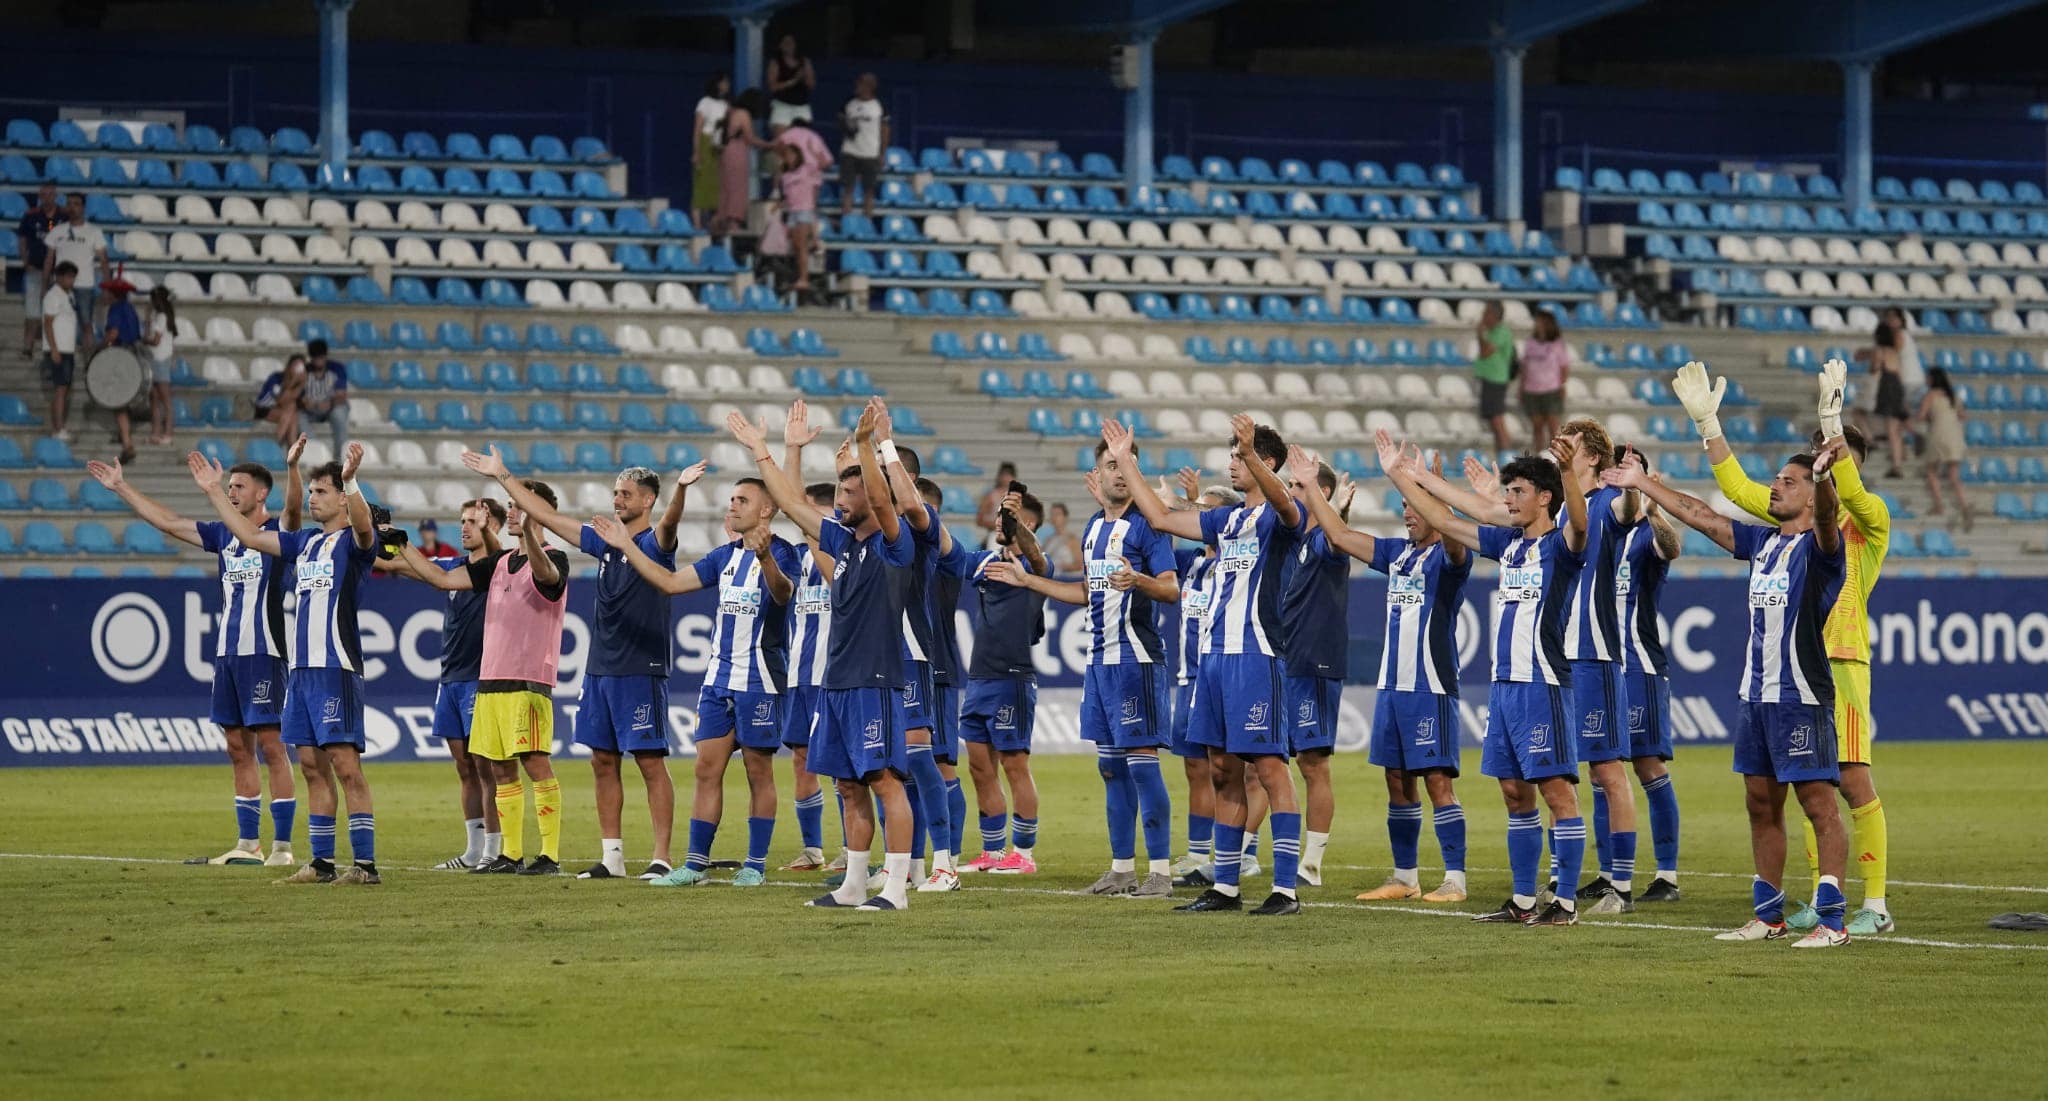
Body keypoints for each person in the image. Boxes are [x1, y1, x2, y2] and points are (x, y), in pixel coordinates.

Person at [1607, 390, 1851, 948]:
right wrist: (1644, 485)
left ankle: (1833, 920)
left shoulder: (1821, 550)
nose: (1776, 487)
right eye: (1777, 481)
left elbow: (1832, 521)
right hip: (1755, 697)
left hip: (1801, 696)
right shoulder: (1761, 544)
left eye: (1790, 483)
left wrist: (1826, 478)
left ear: (1811, 498)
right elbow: (1705, 517)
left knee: (1818, 804)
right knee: (1760, 805)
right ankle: (1768, 915)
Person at [1701, 359, 1895, 937]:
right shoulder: (1795, 520)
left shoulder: (1870, 519)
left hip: (1843, 663)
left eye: (1834, 459)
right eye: (1818, 461)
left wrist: (1833, 430)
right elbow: (1737, 490)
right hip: (1789, 670)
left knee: (1852, 782)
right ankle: (1818, 897)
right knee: (1808, 780)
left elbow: (1849, 496)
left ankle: (1876, 905)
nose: (1823, 467)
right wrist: (1709, 426)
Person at [1389, 429, 1591, 926]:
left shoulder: (1563, 545)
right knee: (1513, 791)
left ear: (1545, 498)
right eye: (1508, 491)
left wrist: (1567, 470)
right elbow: (1442, 520)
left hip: (1542, 683)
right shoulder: (1507, 546)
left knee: (1557, 792)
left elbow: (1581, 522)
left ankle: (1563, 903)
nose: (1508, 499)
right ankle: (1523, 901)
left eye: (1518, 491)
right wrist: (1403, 474)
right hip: (1504, 689)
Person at [1108, 415, 1306, 916]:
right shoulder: (1228, 520)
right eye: (1235, 456)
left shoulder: (1282, 516)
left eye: (1240, 456)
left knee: (1269, 767)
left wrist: (1255, 455)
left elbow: (1284, 503)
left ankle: (1285, 889)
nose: (1233, 464)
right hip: (1214, 659)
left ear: (1269, 462)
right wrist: (1128, 462)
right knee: (1221, 769)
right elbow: (1161, 518)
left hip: (1257, 655)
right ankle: (1226, 886)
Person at [727, 400, 919, 910]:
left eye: (849, 493)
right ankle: (853, 886)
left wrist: (866, 445)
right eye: (838, 491)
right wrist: (763, 452)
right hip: (835, 681)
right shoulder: (843, 541)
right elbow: (792, 504)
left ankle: (896, 890)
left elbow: (880, 498)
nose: (840, 501)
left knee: (883, 781)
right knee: (848, 785)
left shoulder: (892, 544)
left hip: (874, 680)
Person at [470, 451, 685, 881]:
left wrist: (679, 490)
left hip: (641, 667)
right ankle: (613, 857)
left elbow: (671, 521)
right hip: (600, 669)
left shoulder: (654, 543)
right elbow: (545, 517)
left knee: (649, 762)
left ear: (647, 501)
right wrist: (503, 476)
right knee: (602, 761)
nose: (617, 500)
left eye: (625, 494)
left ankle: (661, 856)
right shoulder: (603, 541)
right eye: (614, 493)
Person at [87, 450, 301, 868]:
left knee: (273, 747)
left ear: (262, 493)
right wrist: (121, 487)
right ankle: (247, 845)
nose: (232, 492)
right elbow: (169, 522)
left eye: (239, 486)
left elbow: (294, 508)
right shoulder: (223, 535)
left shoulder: (281, 534)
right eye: (230, 486)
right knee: (237, 748)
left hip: (264, 653)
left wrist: (292, 469)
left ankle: (282, 849)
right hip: (227, 656)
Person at [989, 436, 1180, 899]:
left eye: (1126, 464)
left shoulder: (1148, 529)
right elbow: (1086, 593)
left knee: (1142, 768)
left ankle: (1160, 871)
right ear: (1098, 473)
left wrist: (1140, 580)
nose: (1119, 472)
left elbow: (1171, 589)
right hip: (1099, 666)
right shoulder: (1095, 528)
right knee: (1111, 770)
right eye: (1111, 464)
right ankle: (1120, 869)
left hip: (1135, 660)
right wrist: (1028, 578)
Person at [594, 473, 799, 889]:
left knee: (759, 770)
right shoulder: (722, 557)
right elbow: (669, 583)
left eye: (742, 500)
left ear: (765, 510)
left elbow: (782, 593)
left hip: (759, 679)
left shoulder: (785, 553)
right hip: (717, 680)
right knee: (706, 770)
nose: (732, 506)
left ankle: (755, 865)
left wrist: (765, 560)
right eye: (731, 499)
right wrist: (626, 546)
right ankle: (694, 863)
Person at [189, 444, 381, 885]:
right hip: (301, 674)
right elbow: (253, 537)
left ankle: (366, 866)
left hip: (337, 669)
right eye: (310, 490)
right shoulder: (305, 543)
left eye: (321, 491)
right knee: (312, 765)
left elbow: (367, 527)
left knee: (346, 766)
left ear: (342, 500)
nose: (312, 498)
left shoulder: (353, 543)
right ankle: (322, 864)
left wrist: (351, 480)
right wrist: (214, 493)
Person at [400, 485, 574, 877]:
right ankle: (509, 854)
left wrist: (530, 530)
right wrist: (402, 544)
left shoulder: (555, 558)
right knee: (499, 769)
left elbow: (545, 574)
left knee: (536, 763)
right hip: (489, 680)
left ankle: (548, 855)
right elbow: (441, 580)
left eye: (519, 507)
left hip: (527, 682)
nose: (512, 513)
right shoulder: (498, 564)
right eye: (511, 507)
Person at [1329, 446, 1473, 905]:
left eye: (1415, 506)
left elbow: (1453, 536)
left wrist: (1434, 496)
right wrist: (1314, 491)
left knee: (1436, 781)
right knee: (1396, 778)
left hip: (1429, 685)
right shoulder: (1397, 555)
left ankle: (1455, 879)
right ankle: (1405, 877)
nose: (1407, 513)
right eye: (1405, 506)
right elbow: (1339, 537)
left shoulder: (1451, 561)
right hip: (1391, 687)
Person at [382, 497, 504, 870]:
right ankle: (472, 851)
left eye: (473, 520)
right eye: (462, 520)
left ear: (491, 526)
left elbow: (494, 558)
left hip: (480, 679)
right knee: (463, 767)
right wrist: (371, 537)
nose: (464, 527)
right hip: (450, 678)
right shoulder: (451, 565)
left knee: (486, 768)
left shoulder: (500, 568)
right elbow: (392, 564)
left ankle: (495, 851)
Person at [948, 488, 1048, 874]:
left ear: (1029, 526)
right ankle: (992, 852)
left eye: (1006, 519)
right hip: (979, 678)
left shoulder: (1039, 568)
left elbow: (1036, 555)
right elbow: (950, 555)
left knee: (1014, 764)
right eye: (997, 518)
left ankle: (1023, 854)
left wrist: (1016, 523)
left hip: (1012, 678)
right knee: (979, 767)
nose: (997, 523)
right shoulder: (986, 563)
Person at [1275, 451, 1355, 887]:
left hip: (1315, 663)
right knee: (1262, 762)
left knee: (1312, 764)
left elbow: (1337, 534)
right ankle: (1244, 854)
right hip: (1283, 662)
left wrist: (1338, 509)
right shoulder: (1293, 541)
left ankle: (1312, 864)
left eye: (1299, 485)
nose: (1290, 492)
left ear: (1321, 493)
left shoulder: (1329, 541)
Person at [1612, 449, 1685, 903]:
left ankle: (1667, 875)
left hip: (1638, 665)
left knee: (1646, 766)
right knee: (1603, 771)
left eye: (1631, 468)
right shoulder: (1598, 530)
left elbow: (1672, 546)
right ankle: (1609, 872)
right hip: (1599, 667)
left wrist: (1651, 503)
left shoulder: (1646, 534)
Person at [779, 478, 838, 871]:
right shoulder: (794, 557)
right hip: (798, 673)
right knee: (801, 759)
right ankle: (813, 849)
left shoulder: (846, 554)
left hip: (833, 673)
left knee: (843, 764)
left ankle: (854, 849)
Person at [44, 192, 108, 359]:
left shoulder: (94, 232)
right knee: (56, 323)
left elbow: (104, 261)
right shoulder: (57, 230)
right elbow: (49, 259)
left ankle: (90, 361)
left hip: (84, 285)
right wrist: (45, 285)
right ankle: (58, 358)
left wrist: (106, 287)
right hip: (59, 287)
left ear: (83, 207)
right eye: (69, 204)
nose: (72, 208)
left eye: (76, 204)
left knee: (87, 325)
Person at [776, 122, 832, 295]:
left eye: (792, 155)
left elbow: (821, 163)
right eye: (787, 156)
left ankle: (804, 278)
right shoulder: (785, 176)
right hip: (792, 212)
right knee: (795, 246)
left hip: (804, 212)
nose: (789, 158)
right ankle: (799, 275)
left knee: (801, 247)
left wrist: (812, 150)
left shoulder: (807, 170)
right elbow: (786, 197)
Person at [96, 274, 143, 463]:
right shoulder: (131, 309)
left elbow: (113, 333)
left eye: (107, 292)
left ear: (113, 294)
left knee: (119, 400)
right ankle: (123, 435)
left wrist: (98, 347)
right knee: (125, 396)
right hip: (133, 355)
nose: (104, 295)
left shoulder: (115, 309)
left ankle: (127, 444)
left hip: (120, 356)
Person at [1917, 367, 1971, 530]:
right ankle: (1964, 505)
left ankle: (1939, 505)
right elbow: (1963, 416)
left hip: (1938, 434)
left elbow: (1921, 415)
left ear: (1932, 379)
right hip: (1955, 435)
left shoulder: (1931, 395)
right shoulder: (1953, 396)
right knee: (1954, 474)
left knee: (1931, 470)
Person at [715, 89, 773, 237]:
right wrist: (770, 145)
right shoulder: (743, 114)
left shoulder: (730, 111)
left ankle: (720, 219)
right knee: (737, 187)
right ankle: (733, 221)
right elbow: (750, 138)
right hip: (737, 151)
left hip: (725, 151)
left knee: (725, 187)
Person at [18, 183, 61, 358]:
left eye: (51, 194)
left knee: (55, 314)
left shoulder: (63, 216)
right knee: (32, 313)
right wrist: (24, 260)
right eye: (44, 194)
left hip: (58, 274)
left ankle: (53, 348)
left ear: (55, 195)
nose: (47, 197)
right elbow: (22, 239)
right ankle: (27, 347)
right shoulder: (30, 216)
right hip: (35, 269)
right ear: (40, 196)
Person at [839, 73, 889, 218]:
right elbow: (841, 122)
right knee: (848, 189)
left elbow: (885, 131)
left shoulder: (879, 106)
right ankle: (847, 221)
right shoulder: (848, 104)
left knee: (869, 191)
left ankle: (867, 222)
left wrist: (882, 153)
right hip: (850, 151)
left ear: (869, 87)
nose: (857, 86)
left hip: (870, 153)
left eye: (860, 84)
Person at [1519, 309, 1569, 453]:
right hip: (1532, 390)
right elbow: (1525, 366)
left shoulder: (1557, 344)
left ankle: (1556, 457)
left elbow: (1564, 367)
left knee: (1553, 426)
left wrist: (1562, 385)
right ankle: (1539, 454)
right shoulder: (1530, 343)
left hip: (1551, 389)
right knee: (1537, 426)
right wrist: (1521, 388)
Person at [1864, 322, 1909, 477]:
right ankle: (1899, 459)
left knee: (1891, 429)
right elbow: (1901, 376)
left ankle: (1896, 465)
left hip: (1887, 387)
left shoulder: (1880, 351)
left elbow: (1874, 369)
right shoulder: (1894, 352)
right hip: (1897, 387)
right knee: (1895, 428)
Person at [40, 260, 79, 440]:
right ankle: (58, 428)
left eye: (73, 277)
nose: (71, 281)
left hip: (67, 349)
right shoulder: (52, 296)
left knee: (63, 389)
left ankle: (59, 426)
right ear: (60, 277)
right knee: (60, 389)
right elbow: (48, 323)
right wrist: (54, 349)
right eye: (69, 277)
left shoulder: (69, 295)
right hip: (59, 350)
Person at [1472, 301, 1514, 454]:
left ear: (1495, 315)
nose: (1483, 316)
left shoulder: (1501, 332)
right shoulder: (1491, 332)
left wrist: (1479, 334)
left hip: (1496, 380)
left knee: (1497, 421)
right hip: (1489, 379)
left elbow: (1485, 352)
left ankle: (1507, 455)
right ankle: (1502, 454)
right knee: (1493, 422)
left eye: (1486, 313)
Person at [692, 72, 730, 230]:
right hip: (705, 143)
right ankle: (698, 225)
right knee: (701, 185)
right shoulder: (704, 102)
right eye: (725, 82)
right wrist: (696, 151)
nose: (727, 85)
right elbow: (698, 129)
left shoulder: (726, 105)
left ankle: (714, 223)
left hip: (719, 146)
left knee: (717, 186)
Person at [298, 340, 348, 457]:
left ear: (325, 357)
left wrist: (330, 403)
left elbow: (341, 395)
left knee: (339, 414)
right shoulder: (304, 371)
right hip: (310, 409)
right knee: (297, 416)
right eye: (315, 358)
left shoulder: (337, 369)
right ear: (311, 358)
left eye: (321, 357)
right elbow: (298, 396)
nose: (318, 361)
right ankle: (316, 452)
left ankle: (339, 457)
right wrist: (305, 403)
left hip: (331, 407)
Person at [142, 286, 177, 446]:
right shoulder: (158, 316)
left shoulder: (163, 316)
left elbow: (155, 340)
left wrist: (143, 340)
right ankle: (155, 433)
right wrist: (147, 320)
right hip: (154, 360)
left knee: (165, 400)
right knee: (154, 399)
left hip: (161, 360)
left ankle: (168, 433)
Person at [765, 33, 816, 136]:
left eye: (790, 42)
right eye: (785, 42)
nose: (788, 45)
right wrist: (793, 80)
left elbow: (811, 85)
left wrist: (805, 75)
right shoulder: (775, 62)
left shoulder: (804, 61)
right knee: (781, 141)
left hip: (801, 105)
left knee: (802, 140)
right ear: (780, 45)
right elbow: (772, 87)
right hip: (782, 105)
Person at [254, 354, 306, 446]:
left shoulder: (300, 384)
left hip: (282, 411)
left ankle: (286, 449)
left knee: (292, 413)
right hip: (263, 408)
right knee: (290, 411)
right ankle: (280, 447)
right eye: (295, 365)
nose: (297, 369)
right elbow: (280, 400)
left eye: (300, 366)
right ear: (288, 366)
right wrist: (293, 381)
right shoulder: (276, 377)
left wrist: (300, 385)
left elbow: (296, 401)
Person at [975, 463, 1017, 537]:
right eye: (1004, 475)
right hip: (995, 536)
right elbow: (979, 520)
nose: (1006, 478)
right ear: (999, 476)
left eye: (1009, 475)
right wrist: (997, 525)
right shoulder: (991, 496)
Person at [1043, 502, 1083, 573]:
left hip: (1065, 579)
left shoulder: (1072, 540)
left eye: (1058, 514)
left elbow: (1079, 564)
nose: (1054, 517)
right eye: (1052, 514)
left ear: (1065, 517)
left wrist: (1063, 566)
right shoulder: (1048, 540)